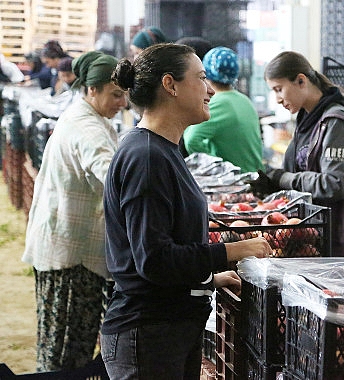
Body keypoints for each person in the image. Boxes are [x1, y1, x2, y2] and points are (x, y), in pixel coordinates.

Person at [101, 43, 271, 380]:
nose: (209, 90)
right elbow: (154, 260)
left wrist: (207, 278)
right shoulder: (146, 157)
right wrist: (230, 251)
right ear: (171, 85)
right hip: (148, 335)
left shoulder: (162, 149)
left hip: (167, 329)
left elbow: (162, 250)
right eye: (201, 78)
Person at [21, 50, 127, 372]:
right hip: (71, 259)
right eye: (116, 94)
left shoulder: (89, 117)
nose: (122, 103)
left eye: (125, 95)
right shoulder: (88, 128)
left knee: (66, 351)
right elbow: (113, 178)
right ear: (92, 89)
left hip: (69, 249)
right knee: (65, 355)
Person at [249, 51, 344, 257]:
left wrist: (284, 178)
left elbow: (335, 184)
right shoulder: (307, 120)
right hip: (312, 233)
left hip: (335, 240)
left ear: (301, 81)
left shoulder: (334, 121)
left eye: (279, 89)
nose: (277, 99)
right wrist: (274, 183)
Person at [182, 46, 264, 172]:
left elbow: (192, 139)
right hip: (256, 177)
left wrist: (217, 165)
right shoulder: (245, 100)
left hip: (237, 180)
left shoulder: (218, 103)